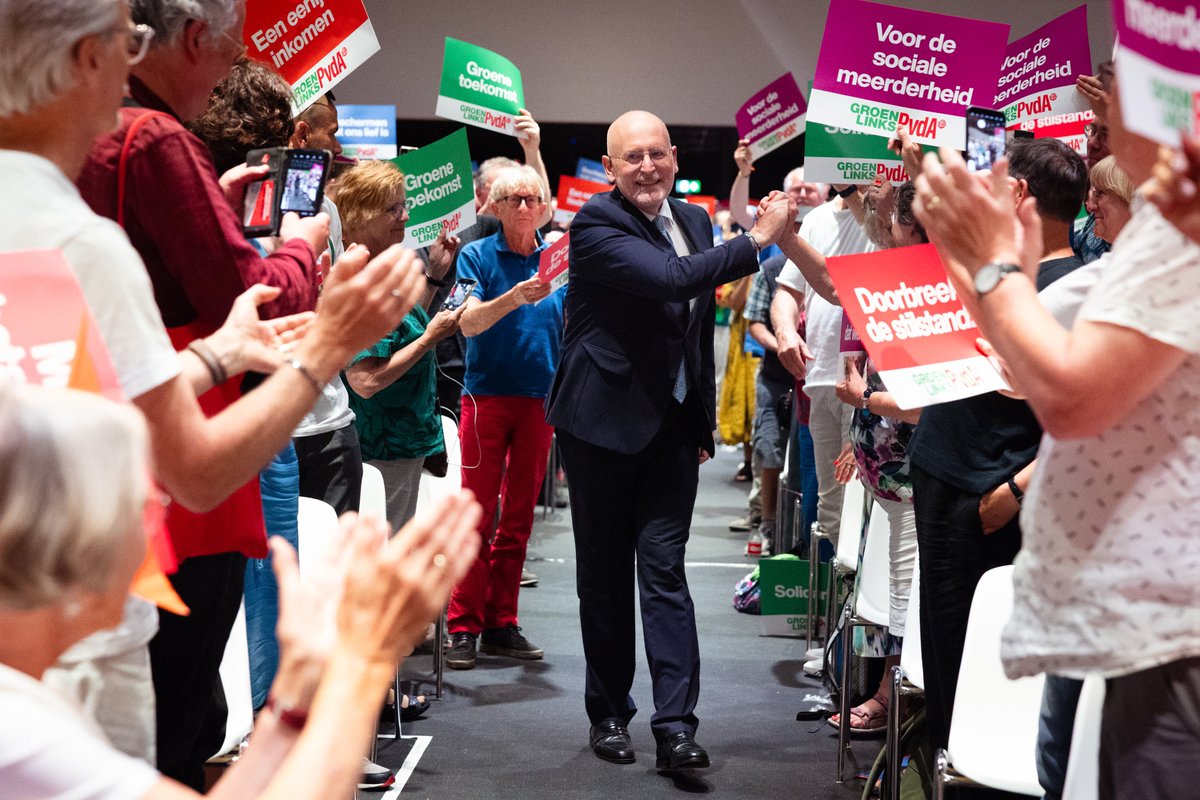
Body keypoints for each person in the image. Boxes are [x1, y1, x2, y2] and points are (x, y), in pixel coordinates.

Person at [0, 0, 424, 776]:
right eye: (123, 42)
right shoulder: (86, 233)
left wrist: (212, 360)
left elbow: (70, 401)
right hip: (76, 632)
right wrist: (327, 343)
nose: (133, 61)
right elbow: (194, 471)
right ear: (86, 61)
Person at [915, 72, 1200, 797]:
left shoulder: (1181, 236)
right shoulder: (1172, 230)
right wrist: (983, 258)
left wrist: (990, 260)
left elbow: (1071, 396)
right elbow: (1036, 363)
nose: (1098, 107)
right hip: (1136, 616)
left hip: (1169, 625)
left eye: (1121, 84)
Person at [0, 382, 481, 800]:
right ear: (72, 539)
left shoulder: (29, 700)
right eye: (145, 498)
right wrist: (366, 659)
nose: (159, 512)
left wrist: (293, 704)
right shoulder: (20, 732)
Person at [545, 109, 794, 770]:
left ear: (676, 157)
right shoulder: (595, 223)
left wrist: (700, 425)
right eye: (633, 158)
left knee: (664, 572)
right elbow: (669, 281)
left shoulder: (693, 221)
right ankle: (609, 714)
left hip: (670, 434)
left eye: (657, 154)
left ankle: (676, 725)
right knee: (602, 580)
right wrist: (757, 238)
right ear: (610, 168)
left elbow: (691, 332)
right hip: (598, 428)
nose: (648, 167)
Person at [444, 165, 564, 670]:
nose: (522, 207)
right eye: (512, 199)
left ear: (543, 206)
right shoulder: (477, 255)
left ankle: (501, 622)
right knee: (475, 515)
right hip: (485, 397)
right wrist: (514, 297)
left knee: (517, 520)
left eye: (531, 198)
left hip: (541, 400)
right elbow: (465, 323)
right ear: (492, 206)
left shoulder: (558, 257)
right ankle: (462, 625)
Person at [340, 160, 464, 532]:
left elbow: (398, 332)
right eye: (393, 209)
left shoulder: (380, 267)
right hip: (382, 445)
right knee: (383, 550)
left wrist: (436, 275)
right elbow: (365, 381)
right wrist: (430, 339)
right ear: (361, 214)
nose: (405, 217)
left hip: (403, 439)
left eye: (403, 206)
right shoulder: (358, 278)